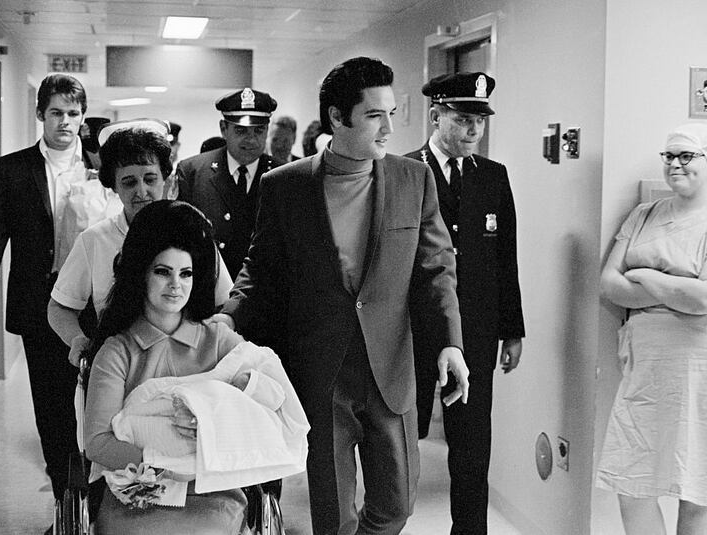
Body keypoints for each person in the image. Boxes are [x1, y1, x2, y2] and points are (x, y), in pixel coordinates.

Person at [213, 56, 470, 535]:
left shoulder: (414, 179)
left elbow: (436, 269)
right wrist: (229, 317)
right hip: (322, 372)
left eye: (391, 113)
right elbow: (261, 268)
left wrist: (450, 342)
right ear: (337, 117)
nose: (389, 128)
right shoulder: (285, 186)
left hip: (390, 369)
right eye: (375, 115)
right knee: (334, 517)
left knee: (396, 508)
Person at [597, 123, 707, 535]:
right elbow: (610, 285)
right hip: (648, 370)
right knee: (632, 482)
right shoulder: (643, 215)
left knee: (698, 484)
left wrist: (644, 274)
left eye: (687, 156)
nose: (675, 165)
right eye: (669, 156)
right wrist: (678, 289)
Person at [83, 200, 251, 533]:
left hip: (212, 484)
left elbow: (259, 406)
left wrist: (218, 422)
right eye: (162, 271)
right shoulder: (117, 351)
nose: (176, 284)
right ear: (140, 274)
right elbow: (98, 442)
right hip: (137, 485)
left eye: (186, 273)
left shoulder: (221, 340)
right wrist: (163, 464)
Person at [404, 71, 525, 535]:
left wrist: (512, 328)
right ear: (436, 116)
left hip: (475, 329)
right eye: (463, 120)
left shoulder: (493, 178)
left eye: (480, 121)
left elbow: (505, 259)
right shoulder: (406, 172)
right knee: (401, 438)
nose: (474, 131)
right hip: (413, 327)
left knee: (472, 444)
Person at [0, 73, 87, 530]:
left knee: (106, 409)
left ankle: (103, 503)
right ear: (40, 114)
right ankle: (66, 505)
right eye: (56, 112)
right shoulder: (14, 169)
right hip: (41, 313)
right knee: (54, 414)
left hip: (96, 311)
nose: (65, 122)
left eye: (73, 113)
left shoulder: (99, 166)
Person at [48, 120, 234, 367]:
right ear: (113, 185)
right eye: (129, 182)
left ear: (165, 179)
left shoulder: (194, 233)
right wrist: (78, 339)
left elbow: (226, 302)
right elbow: (60, 307)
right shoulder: (94, 240)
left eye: (150, 179)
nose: (141, 191)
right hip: (121, 367)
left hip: (191, 367)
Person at [176, 88, 283, 277]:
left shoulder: (284, 176)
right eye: (241, 130)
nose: (250, 140)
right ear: (223, 129)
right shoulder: (193, 172)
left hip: (265, 290)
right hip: (209, 287)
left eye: (258, 130)